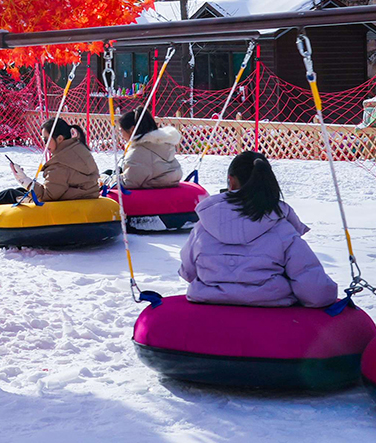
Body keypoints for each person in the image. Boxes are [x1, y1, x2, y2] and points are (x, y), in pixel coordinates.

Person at [177, 152, 342, 307]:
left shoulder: (204, 226)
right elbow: (315, 291)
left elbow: (187, 272)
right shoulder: (282, 230)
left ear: (231, 181)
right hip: (268, 311)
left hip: (209, 305)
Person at [0, 118, 100, 225]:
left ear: (60, 138)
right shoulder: (79, 149)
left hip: (66, 204)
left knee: (11, 193)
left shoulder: (60, 164)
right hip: (83, 195)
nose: (44, 144)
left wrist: (24, 179)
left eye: (46, 139)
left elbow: (47, 197)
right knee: (21, 191)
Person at [115, 109, 185, 189]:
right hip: (167, 181)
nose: (121, 135)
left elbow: (128, 182)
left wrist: (107, 179)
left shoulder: (138, 153)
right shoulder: (163, 145)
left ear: (132, 130)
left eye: (121, 131)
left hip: (153, 189)